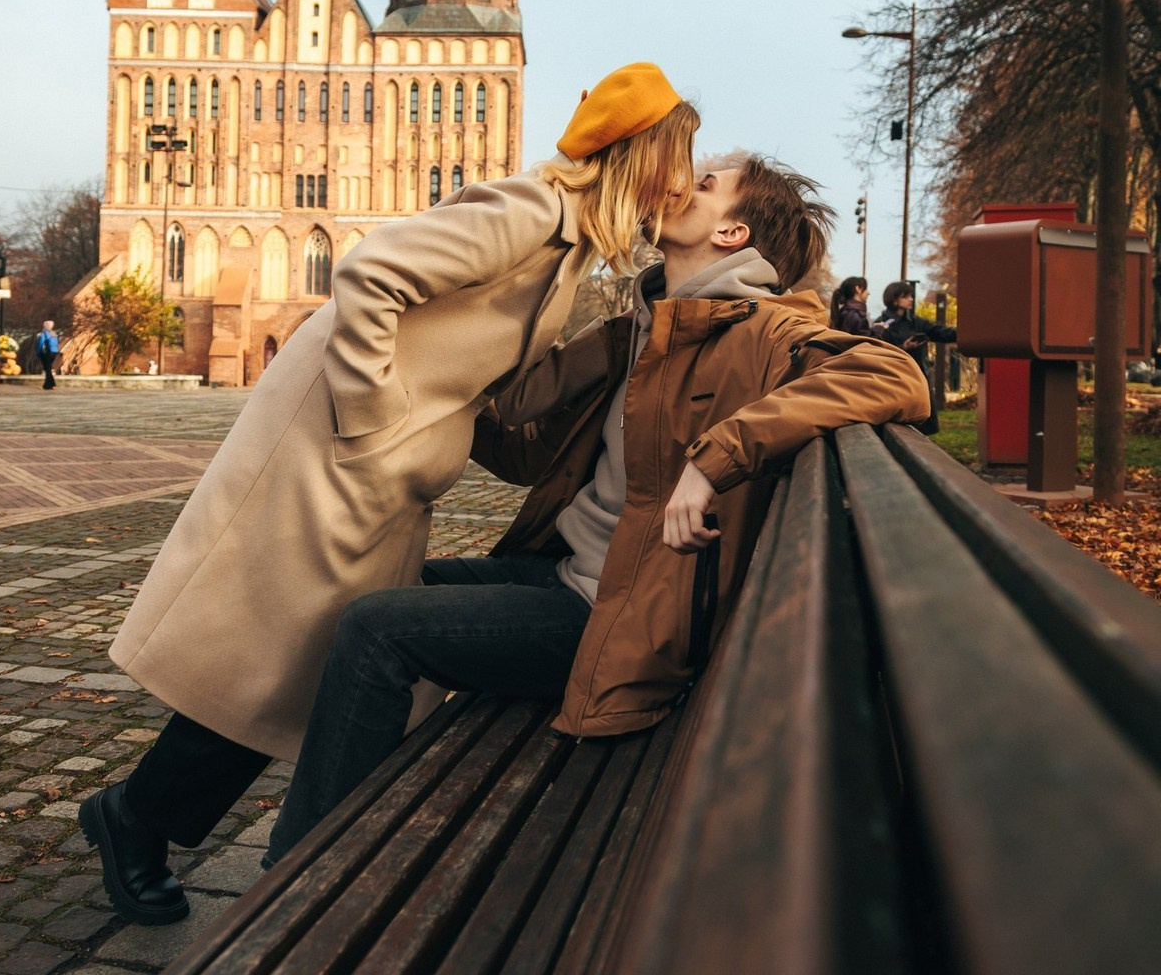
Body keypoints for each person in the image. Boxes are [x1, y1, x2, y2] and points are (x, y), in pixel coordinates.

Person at [80, 63, 700, 925]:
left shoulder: (570, 247)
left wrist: (624, 338)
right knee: (277, 649)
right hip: (340, 448)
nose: (684, 181)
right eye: (681, 157)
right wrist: (373, 418)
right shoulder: (532, 211)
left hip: (380, 466)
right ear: (643, 153)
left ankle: (143, 815)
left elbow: (512, 387)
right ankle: (141, 818)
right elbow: (370, 273)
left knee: (294, 654)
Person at [250, 156, 929, 869]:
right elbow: (524, 450)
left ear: (732, 232)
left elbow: (892, 373)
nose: (678, 184)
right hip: (568, 575)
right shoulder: (639, 329)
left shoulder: (760, 329)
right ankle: (338, 815)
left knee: (376, 629)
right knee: (366, 586)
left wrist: (714, 458)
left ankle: (291, 871)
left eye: (703, 185)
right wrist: (432, 391)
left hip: (615, 617)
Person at [874, 281, 956, 434]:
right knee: (900, 425)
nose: (911, 299)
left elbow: (940, 332)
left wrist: (966, 333)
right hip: (895, 379)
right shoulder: (881, 324)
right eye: (906, 296)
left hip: (918, 375)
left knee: (922, 423)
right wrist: (903, 347)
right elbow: (878, 352)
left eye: (911, 296)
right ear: (894, 299)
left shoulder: (916, 322)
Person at [36, 320, 60, 389]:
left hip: (47, 352)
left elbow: (41, 343)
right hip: (54, 352)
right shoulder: (54, 333)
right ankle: (52, 383)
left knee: (47, 368)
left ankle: (47, 385)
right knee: (48, 367)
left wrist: (39, 352)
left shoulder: (45, 333)